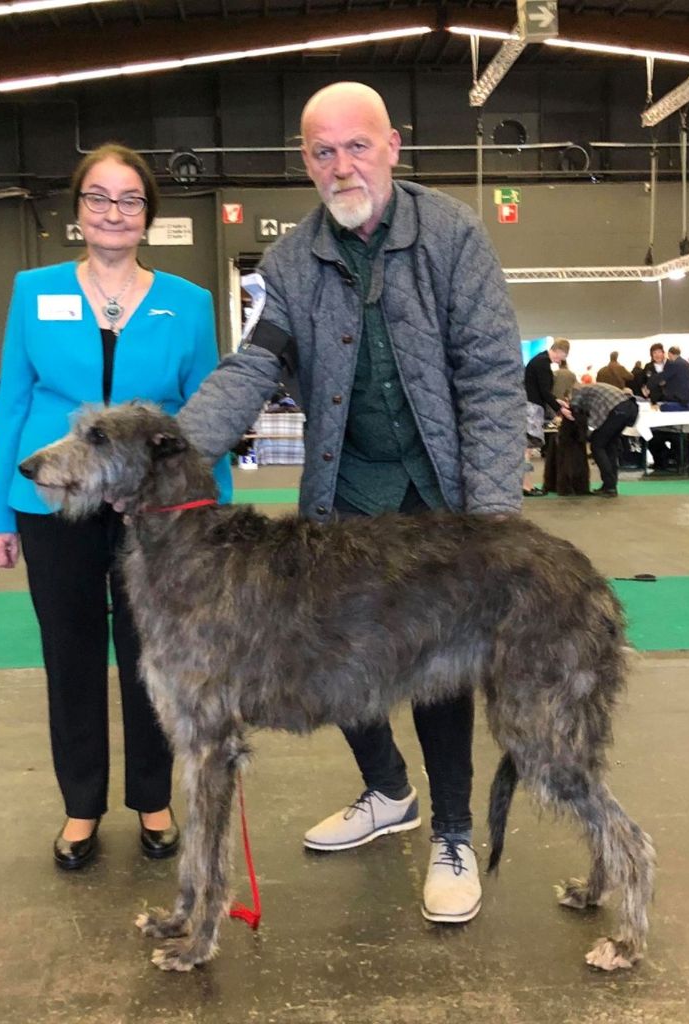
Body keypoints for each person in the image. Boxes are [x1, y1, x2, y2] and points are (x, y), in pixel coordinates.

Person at [177, 81, 524, 925]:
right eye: (323, 151)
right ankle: (386, 791)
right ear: (306, 161)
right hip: (345, 495)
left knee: (439, 675)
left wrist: (490, 522)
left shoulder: (453, 236)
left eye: (356, 146)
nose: (341, 165)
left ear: (393, 146)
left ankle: (450, 834)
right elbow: (254, 367)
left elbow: (488, 380)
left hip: (441, 502)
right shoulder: (289, 263)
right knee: (329, 665)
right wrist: (171, 453)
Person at [0, 143, 231, 871]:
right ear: (77, 211)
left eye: (128, 199)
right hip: (50, 500)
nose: (113, 212)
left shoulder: (189, 303)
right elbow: (14, 403)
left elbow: (203, 412)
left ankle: (152, 800)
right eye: (98, 197)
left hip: (154, 514)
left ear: (147, 215)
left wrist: (211, 515)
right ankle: (80, 807)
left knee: (153, 660)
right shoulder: (34, 291)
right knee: (72, 655)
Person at [563, 382, 639, 498]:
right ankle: (610, 485)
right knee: (609, 445)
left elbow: (575, 407)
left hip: (617, 410)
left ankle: (609, 486)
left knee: (597, 445)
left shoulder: (580, 391)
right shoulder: (594, 388)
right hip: (629, 409)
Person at [659, 345, 689, 411]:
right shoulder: (686, 364)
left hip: (678, 401)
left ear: (669, 354)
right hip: (688, 400)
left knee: (662, 408)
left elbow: (663, 379)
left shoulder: (674, 364)